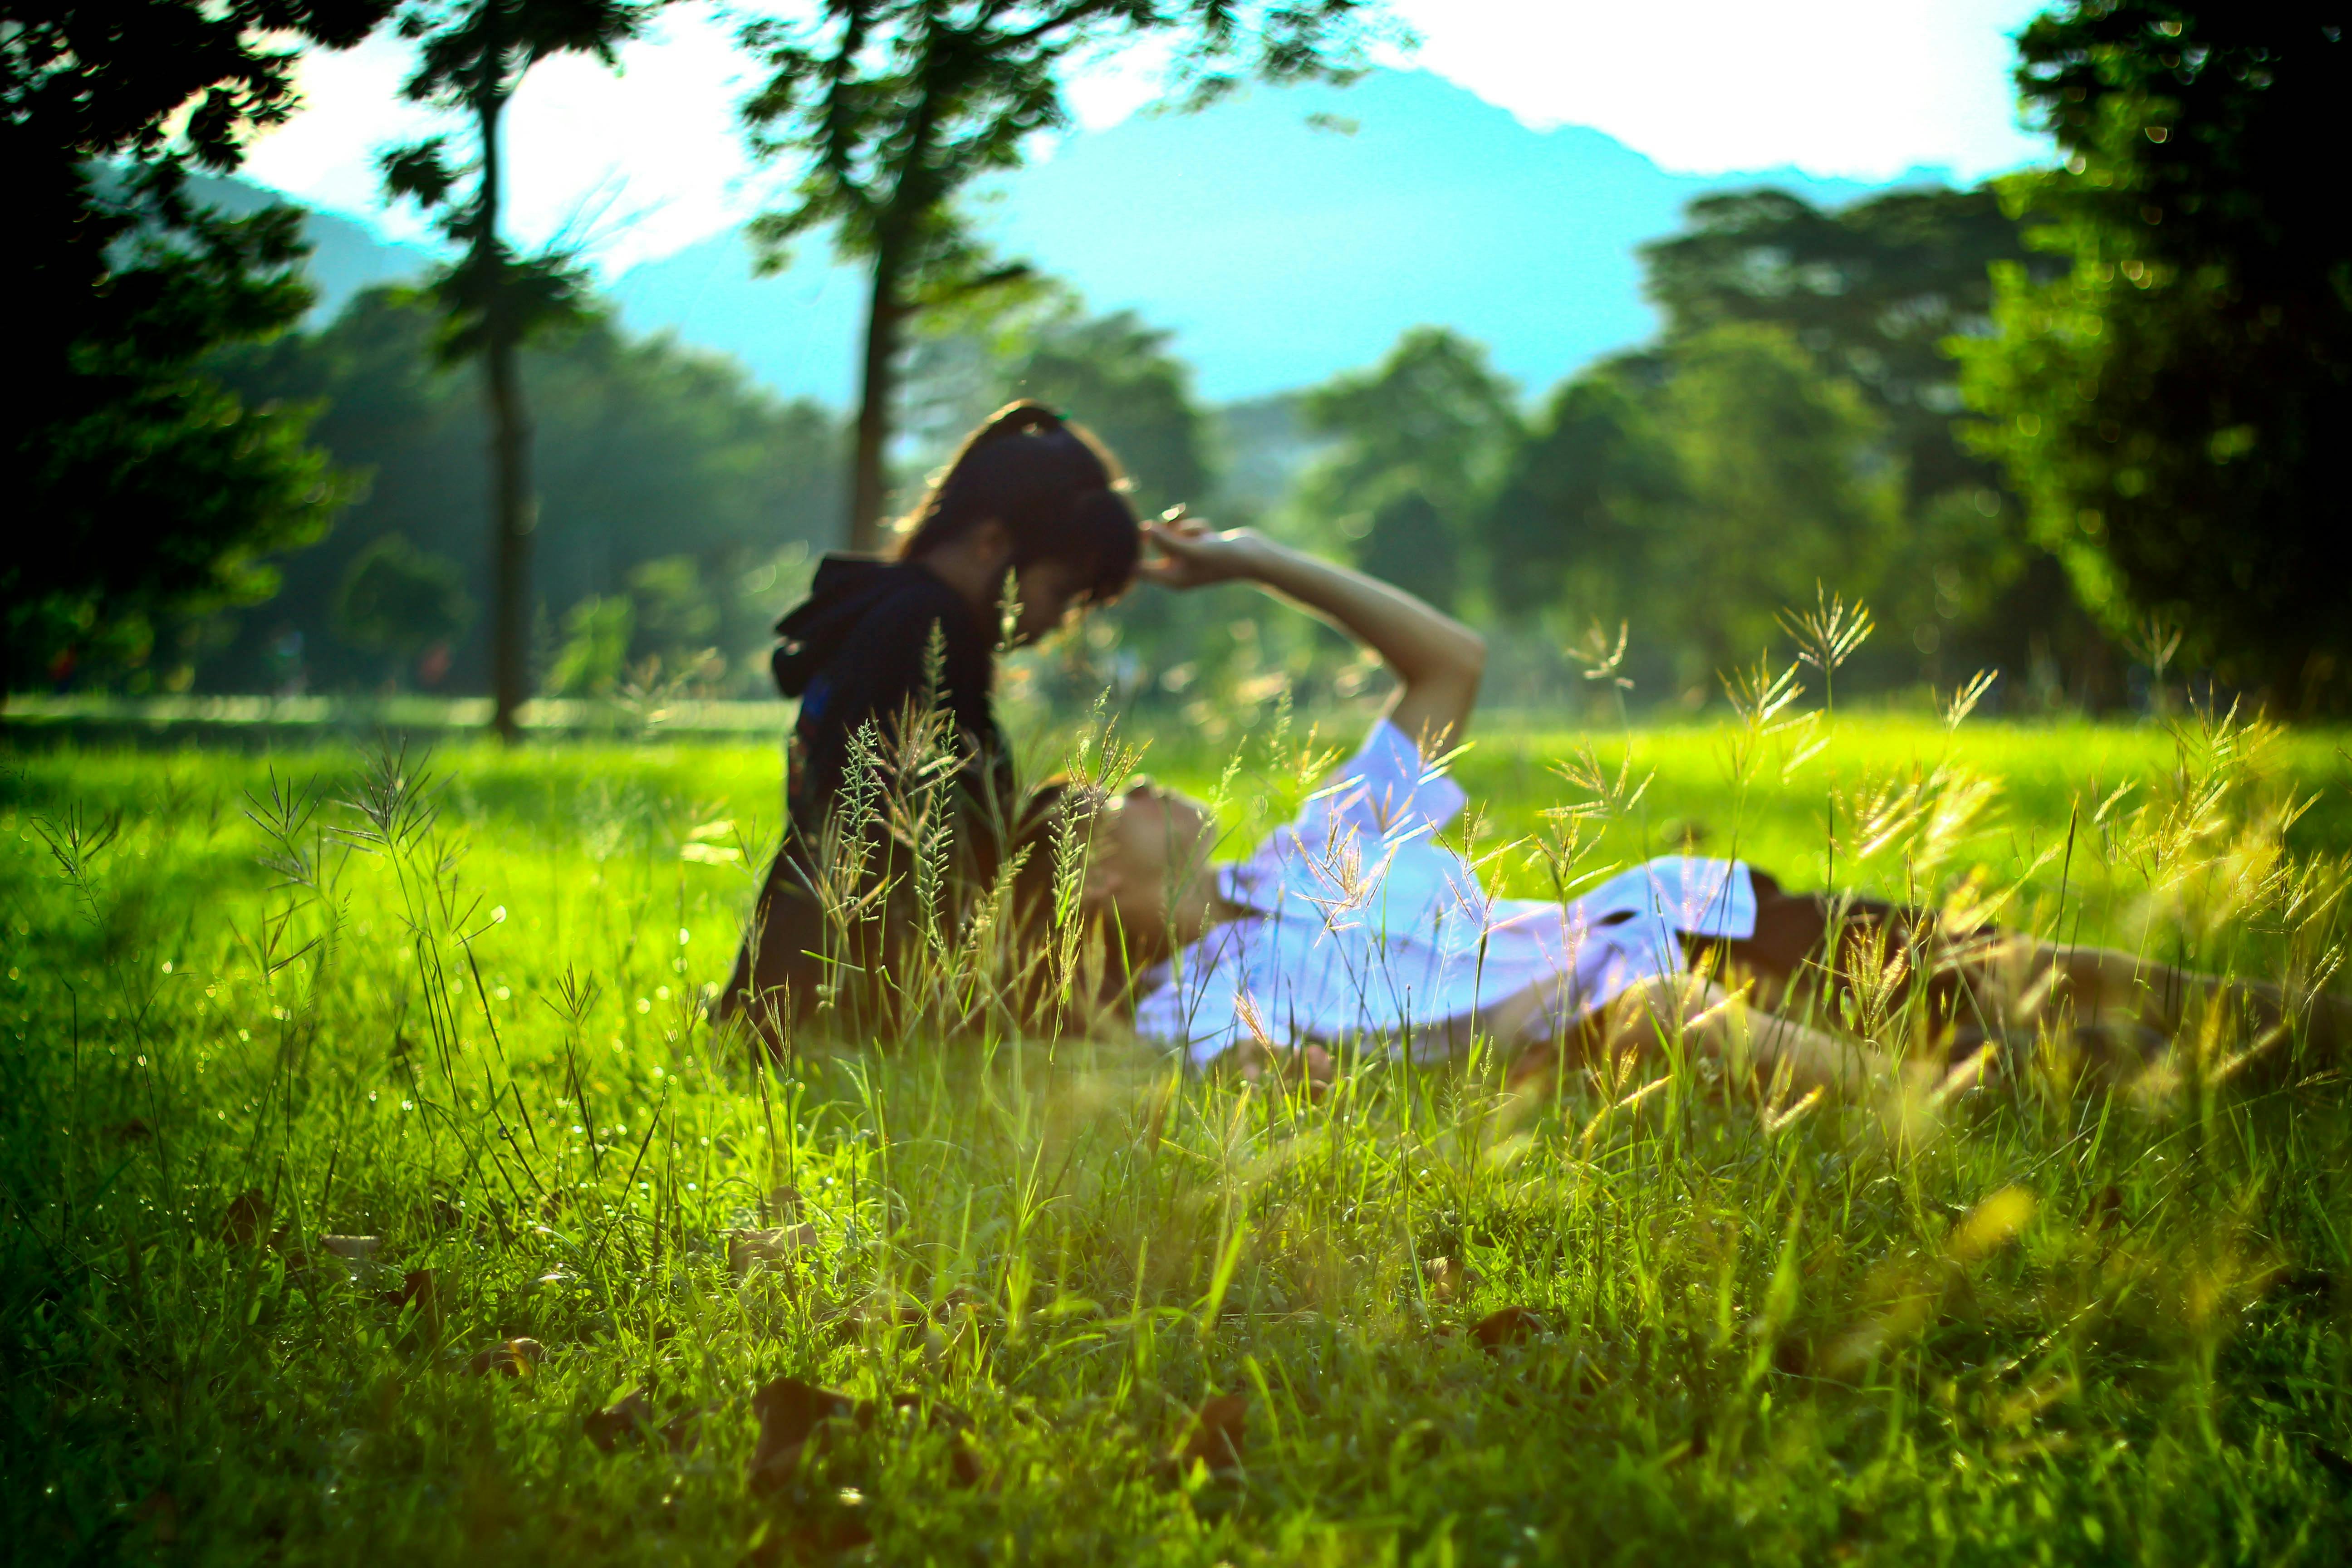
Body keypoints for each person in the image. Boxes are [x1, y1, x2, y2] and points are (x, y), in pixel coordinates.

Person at [1080, 519, 2351, 1095]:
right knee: (1689, 1020)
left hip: (1672, 926)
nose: (1138, 785)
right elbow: (1278, 1081)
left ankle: (2297, 1031)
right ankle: (1988, 1106)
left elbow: (1449, 662)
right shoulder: (1183, 1003)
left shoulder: (1316, 846)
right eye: (1108, 800)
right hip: (1602, 1034)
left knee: (2030, 971)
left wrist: (1255, 560)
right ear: (1093, 878)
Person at [718, 401, 1142, 1043]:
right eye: (1061, 592)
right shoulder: (927, 629)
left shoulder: (896, 612)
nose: (1061, 622)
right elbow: (905, 837)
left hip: (808, 986)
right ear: (991, 543)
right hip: (852, 1003)